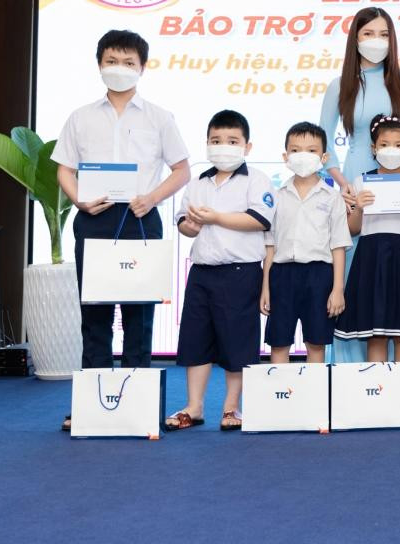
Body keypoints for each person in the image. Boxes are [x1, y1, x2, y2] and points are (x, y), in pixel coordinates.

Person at [54, 29, 190, 432]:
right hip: (95, 219)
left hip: (140, 219)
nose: (120, 68)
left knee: (139, 317)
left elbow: (182, 170)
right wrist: (79, 200)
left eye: (129, 62)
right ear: (99, 65)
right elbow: (64, 169)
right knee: (94, 315)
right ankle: (90, 406)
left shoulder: (159, 117)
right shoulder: (80, 117)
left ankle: (136, 405)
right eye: (112, 61)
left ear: (142, 68)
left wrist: (152, 198)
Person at [318, 6, 400, 361]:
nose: (376, 41)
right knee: (356, 273)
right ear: (355, 38)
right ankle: (354, 376)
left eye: (383, 34)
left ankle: (398, 385)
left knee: (397, 275)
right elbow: (323, 143)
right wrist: (342, 183)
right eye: (368, 34)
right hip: (358, 182)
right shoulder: (340, 85)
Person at [165, 110, 273, 432]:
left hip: (240, 272)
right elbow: (183, 223)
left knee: (237, 343)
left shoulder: (257, 179)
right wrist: (191, 225)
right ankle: (194, 407)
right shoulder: (199, 181)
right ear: (207, 143)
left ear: (247, 146)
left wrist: (216, 218)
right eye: (216, 140)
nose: (223, 146)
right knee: (195, 340)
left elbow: (260, 219)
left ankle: (231, 408)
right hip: (202, 272)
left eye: (232, 141)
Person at [334, 115, 400, 361]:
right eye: (384, 144)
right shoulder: (361, 181)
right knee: (375, 334)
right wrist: (359, 208)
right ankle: (376, 385)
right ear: (374, 148)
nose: (391, 150)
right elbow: (353, 229)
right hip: (372, 259)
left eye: (398, 145)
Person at [260, 122, 350, 364]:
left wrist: (338, 289)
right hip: (282, 275)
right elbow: (270, 246)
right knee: (279, 342)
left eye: (311, 150)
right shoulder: (276, 196)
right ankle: (279, 388)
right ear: (285, 156)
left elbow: (338, 246)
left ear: (324, 157)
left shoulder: (333, 197)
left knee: (316, 343)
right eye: (295, 150)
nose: (303, 156)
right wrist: (265, 287)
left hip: (319, 276)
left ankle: (314, 389)